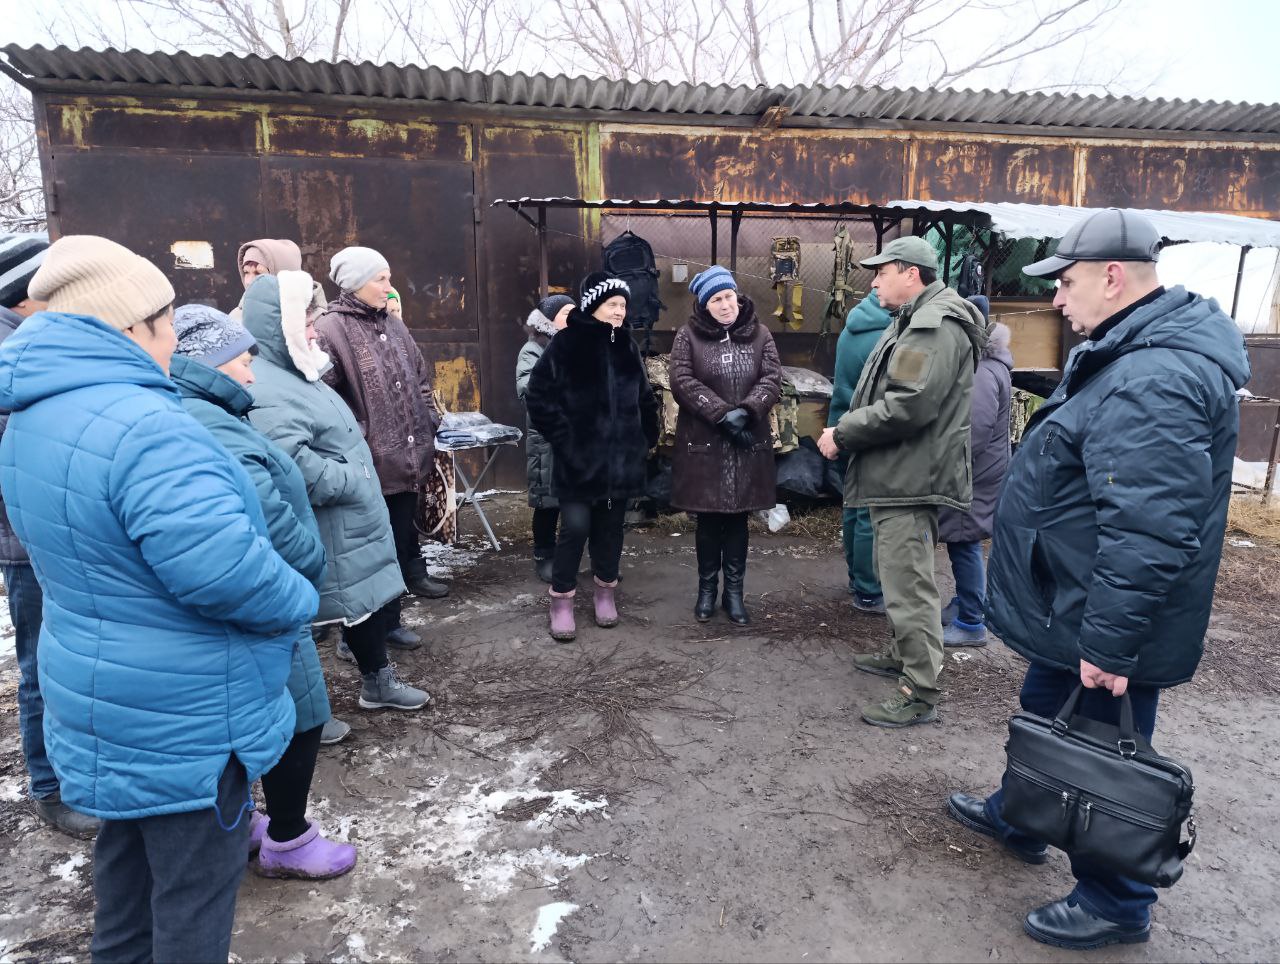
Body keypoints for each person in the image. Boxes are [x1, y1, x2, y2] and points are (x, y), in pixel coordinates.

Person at [0, 236, 318, 962]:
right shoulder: (147, 428)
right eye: (167, 320)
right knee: (192, 904)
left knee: (127, 897)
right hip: (185, 714)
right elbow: (221, 571)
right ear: (129, 326)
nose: (175, 336)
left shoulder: (37, 414)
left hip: (98, 696)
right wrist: (299, 597)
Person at [945, 208, 1249, 951]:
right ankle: (1024, 813)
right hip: (1077, 599)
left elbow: (1149, 527)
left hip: (1109, 615)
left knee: (1106, 752)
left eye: (1068, 281)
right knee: (1047, 708)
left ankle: (1118, 897)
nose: (1057, 298)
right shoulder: (1134, 352)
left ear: (1114, 278)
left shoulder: (1158, 375)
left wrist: (1111, 646)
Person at [171, 304, 357, 879]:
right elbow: (272, 526)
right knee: (300, 714)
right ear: (209, 361)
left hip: (242, 602)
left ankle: (247, 821)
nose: (250, 373)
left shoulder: (191, 411)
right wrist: (310, 567)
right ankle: (289, 840)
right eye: (242, 360)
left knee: (243, 717)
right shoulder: (216, 426)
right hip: (268, 599)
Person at [241, 269, 430, 712]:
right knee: (305, 620)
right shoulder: (267, 385)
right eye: (306, 322)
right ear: (279, 324)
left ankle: (377, 683)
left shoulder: (297, 369)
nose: (314, 331)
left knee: (358, 604)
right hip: (322, 522)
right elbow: (292, 463)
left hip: (344, 522)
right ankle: (305, 715)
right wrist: (352, 478)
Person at [818, 236, 985, 728]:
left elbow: (909, 405)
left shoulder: (932, 326)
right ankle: (903, 652)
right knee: (898, 577)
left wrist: (842, 434)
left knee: (909, 584)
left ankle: (920, 691)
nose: (873, 281)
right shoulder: (914, 320)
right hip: (901, 473)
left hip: (911, 477)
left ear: (911, 274)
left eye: (882, 271)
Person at [0, 236, 96, 838]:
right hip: (29, 542)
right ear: (29, 294)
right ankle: (50, 787)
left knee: (59, 660)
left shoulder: (25, 344)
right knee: (42, 665)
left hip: (43, 535)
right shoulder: (13, 354)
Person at [317, 245, 449, 660]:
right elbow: (324, 396)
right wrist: (356, 436)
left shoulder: (394, 327)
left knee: (394, 546)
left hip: (407, 459)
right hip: (367, 464)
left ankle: (389, 622)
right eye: (381, 279)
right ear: (355, 283)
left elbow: (420, 377)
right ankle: (352, 636)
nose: (389, 286)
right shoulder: (330, 329)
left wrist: (428, 418)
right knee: (362, 554)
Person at [525, 272, 660, 642]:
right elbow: (538, 395)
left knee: (610, 530)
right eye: (612, 304)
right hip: (578, 464)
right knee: (576, 527)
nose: (619, 311)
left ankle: (604, 593)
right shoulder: (567, 343)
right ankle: (562, 601)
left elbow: (645, 397)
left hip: (620, 464)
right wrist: (566, 441)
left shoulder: (627, 346)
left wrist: (646, 436)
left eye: (623, 305)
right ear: (594, 306)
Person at [669, 266, 781, 625]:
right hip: (706, 443)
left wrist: (748, 411)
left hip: (746, 445)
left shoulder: (761, 334)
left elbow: (772, 378)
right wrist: (720, 414)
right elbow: (681, 380)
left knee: (737, 522)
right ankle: (706, 591)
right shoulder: (688, 336)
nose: (724, 304)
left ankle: (734, 594)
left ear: (738, 295)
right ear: (704, 304)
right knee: (707, 521)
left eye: (728, 296)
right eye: (716, 299)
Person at [938, 296, 1013, 647]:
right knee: (961, 542)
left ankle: (971, 622)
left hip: (972, 474)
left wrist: (941, 461)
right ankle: (966, 602)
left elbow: (974, 431)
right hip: (980, 471)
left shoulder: (981, 370)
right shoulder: (985, 361)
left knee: (964, 540)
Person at [826, 290, 892, 615]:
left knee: (852, 505)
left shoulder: (851, 328)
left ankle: (856, 578)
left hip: (840, 425)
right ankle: (868, 590)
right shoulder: (885, 337)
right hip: (865, 430)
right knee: (869, 512)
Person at [516, 294, 574, 582]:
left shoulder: (580, 345)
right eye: (566, 313)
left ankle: (571, 555)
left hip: (577, 439)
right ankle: (544, 555)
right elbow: (528, 387)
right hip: (546, 439)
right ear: (549, 319)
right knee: (546, 501)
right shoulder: (533, 349)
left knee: (574, 501)